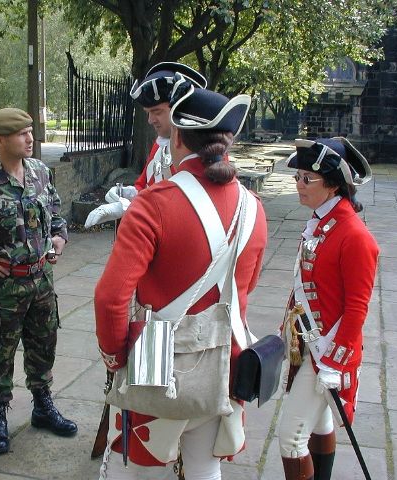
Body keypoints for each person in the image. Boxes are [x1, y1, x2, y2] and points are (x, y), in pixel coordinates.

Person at [94, 81, 267, 479]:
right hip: (225, 354)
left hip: (157, 355)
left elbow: (110, 298)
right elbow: (248, 285)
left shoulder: (153, 204)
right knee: (206, 468)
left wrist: (116, 356)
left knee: (139, 471)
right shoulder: (253, 206)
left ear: (178, 138)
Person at [0, 107, 77, 456]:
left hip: (41, 281)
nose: (30, 138)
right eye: (22, 133)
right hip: (3, 289)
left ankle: (42, 406)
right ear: (1, 139)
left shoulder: (38, 171)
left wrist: (59, 238)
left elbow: (54, 210)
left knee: (43, 347)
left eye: (30, 132)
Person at [278, 138, 379, 480]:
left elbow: (356, 309)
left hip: (328, 351)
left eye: (308, 178)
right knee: (319, 422)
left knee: (290, 438)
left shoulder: (355, 236)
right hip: (308, 342)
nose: (298, 185)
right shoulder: (322, 222)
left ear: (334, 184)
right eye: (298, 177)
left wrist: (334, 362)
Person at [84, 62, 206, 228]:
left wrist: (129, 207)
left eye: (157, 112)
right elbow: (146, 186)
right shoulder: (161, 144)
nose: (150, 120)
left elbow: (182, 206)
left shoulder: (204, 151)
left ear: (180, 108)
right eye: (148, 113)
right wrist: (129, 194)